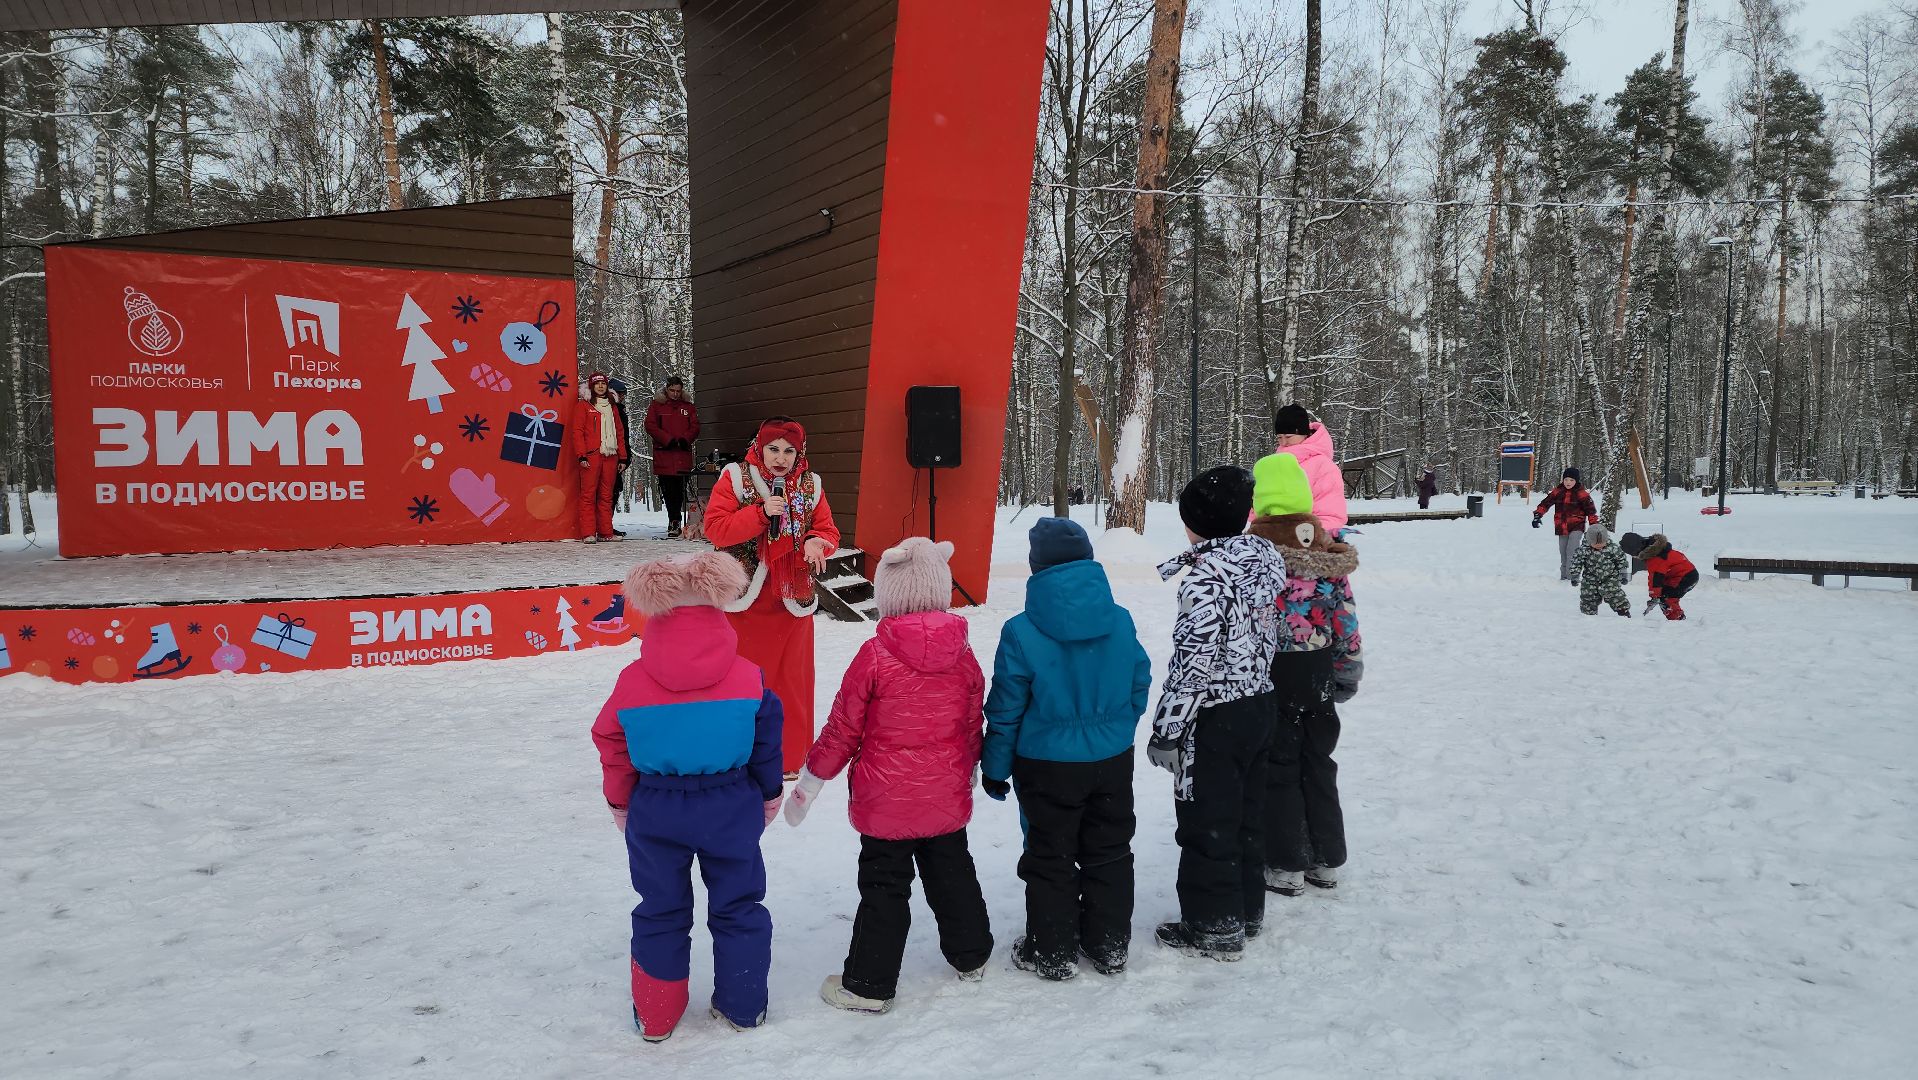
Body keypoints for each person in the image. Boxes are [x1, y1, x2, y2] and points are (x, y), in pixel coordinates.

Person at [783, 538, 993, 1014]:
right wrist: (970, 770)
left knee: (884, 888)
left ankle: (869, 984)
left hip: (886, 802)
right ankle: (971, 955)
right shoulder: (963, 655)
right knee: (952, 874)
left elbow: (842, 729)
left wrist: (810, 783)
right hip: (944, 796)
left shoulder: (875, 655)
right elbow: (971, 723)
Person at [589, 552, 785, 1042]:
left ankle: (657, 1014)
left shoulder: (632, 683)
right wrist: (768, 794)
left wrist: (620, 801)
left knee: (660, 907)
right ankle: (743, 1004)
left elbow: (611, 740)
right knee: (739, 905)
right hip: (730, 803)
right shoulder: (750, 677)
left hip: (657, 807)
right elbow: (766, 742)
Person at [981, 517, 1151, 981]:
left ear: (1037, 568)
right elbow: (1139, 680)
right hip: (1111, 760)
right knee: (1110, 849)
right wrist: (1118, 727)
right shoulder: (1119, 620)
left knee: (1049, 856)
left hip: (1047, 765)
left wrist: (995, 767)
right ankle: (1108, 944)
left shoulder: (1021, 631)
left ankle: (1052, 951)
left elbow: (1006, 708)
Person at [1148, 465, 1286, 962]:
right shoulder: (1263, 561)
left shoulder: (1206, 580)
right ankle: (1246, 910)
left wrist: (1167, 730)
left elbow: (1192, 665)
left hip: (1217, 715)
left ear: (1197, 523)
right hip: (1260, 703)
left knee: (1208, 821)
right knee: (1247, 814)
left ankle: (1214, 926)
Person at [1245, 454, 1362, 896]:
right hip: (1318, 671)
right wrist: (1347, 668)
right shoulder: (1326, 550)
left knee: (1280, 765)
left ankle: (1287, 861)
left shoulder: (1254, 551)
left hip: (1273, 673)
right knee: (1319, 761)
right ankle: (1326, 857)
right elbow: (1345, 617)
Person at [703, 417, 841, 774]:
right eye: (773, 449)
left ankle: (788, 757)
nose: (781, 458)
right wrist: (761, 514)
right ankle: (739, 757)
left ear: (800, 453)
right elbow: (715, 529)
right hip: (744, 601)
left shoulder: (811, 484)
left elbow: (827, 530)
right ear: (759, 448)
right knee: (742, 681)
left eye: (789, 451)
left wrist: (816, 542)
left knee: (791, 683)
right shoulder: (735, 477)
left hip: (791, 599)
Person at [1273, 403, 1348, 534]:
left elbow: (1330, 514)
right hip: (1274, 535)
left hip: (1308, 537)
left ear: (1304, 434)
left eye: (1288, 436)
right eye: (1279, 437)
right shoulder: (1276, 463)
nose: (1283, 442)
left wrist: (1307, 535)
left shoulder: (1323, 467)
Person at [573, 372, 630, 543]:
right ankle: (588, 533)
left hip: (610, 456)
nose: (600, 386)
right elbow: (577, 432)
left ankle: (606, 532)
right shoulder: (583, 406)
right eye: (597, 384)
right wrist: (581, 455)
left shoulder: (613, 407)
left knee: (606, 496)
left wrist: (623, 458)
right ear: (591, 386)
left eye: (603, 384)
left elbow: (620, 433)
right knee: (588, 495)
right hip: (592, 455)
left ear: (607, 386)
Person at [645, 376, 700, 539]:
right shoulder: (657, 406)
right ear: (666, 389)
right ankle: (674, 520)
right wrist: (667, 439)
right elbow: (650, 425)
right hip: (665, 455)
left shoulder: (688, 407)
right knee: (668, 492)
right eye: (672, 391)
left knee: (680, 491)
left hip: (682, 455)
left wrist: (685, 439)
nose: (675, 394)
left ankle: (677, 521)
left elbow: (695, 427)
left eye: (678, 391)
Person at [1532, 467, 1599, 582]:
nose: (1568, 482)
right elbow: (1545, 503)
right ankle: (1564, 578)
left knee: (1572, 551)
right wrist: (1538, 515)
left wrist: (1594, 525)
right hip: (1561, 526)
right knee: (1563, 552)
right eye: (1566, 479)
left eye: (1571, 480)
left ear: (1576, 481)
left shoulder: (1581, 493)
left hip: (1577, 526)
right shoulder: (1558, 491)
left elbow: (1591, 510)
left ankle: (1572, 577)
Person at [1621, 532, 1699, 620]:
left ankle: (1677, 620)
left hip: (1686, 577)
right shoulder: (1657, 550)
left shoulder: (1656, 558)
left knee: (1667, 597)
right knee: (1665, 594)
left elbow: (1655, 579)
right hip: (1683, 575)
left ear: (1635, 550)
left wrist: (1654, 595)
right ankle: (1677, 618)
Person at [1571, 523, 1631, 618]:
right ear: (1589, 541)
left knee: (1615, 594)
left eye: (1602, 542)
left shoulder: (1612, 548)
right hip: (1590, 579)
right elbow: (1577, 562)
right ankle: (1588, 615)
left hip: (1610, 578)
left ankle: (1623, 611)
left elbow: (1621, 560)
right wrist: (1575, 575)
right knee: (1588, 597)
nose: (1599, 545)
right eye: (1596, 543)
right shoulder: (1583, 550)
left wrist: (1623, 574)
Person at [607, 377, 636, 537]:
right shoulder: (610, 410)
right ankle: (604, 524)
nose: (622, 396)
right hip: (610, 455)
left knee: (614, 491)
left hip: (619, 455)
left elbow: (624, 436)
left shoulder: (620, 410)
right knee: (609, 493)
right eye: (620, 393)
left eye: (623, 394)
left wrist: (625, 456)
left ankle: (606, 523)